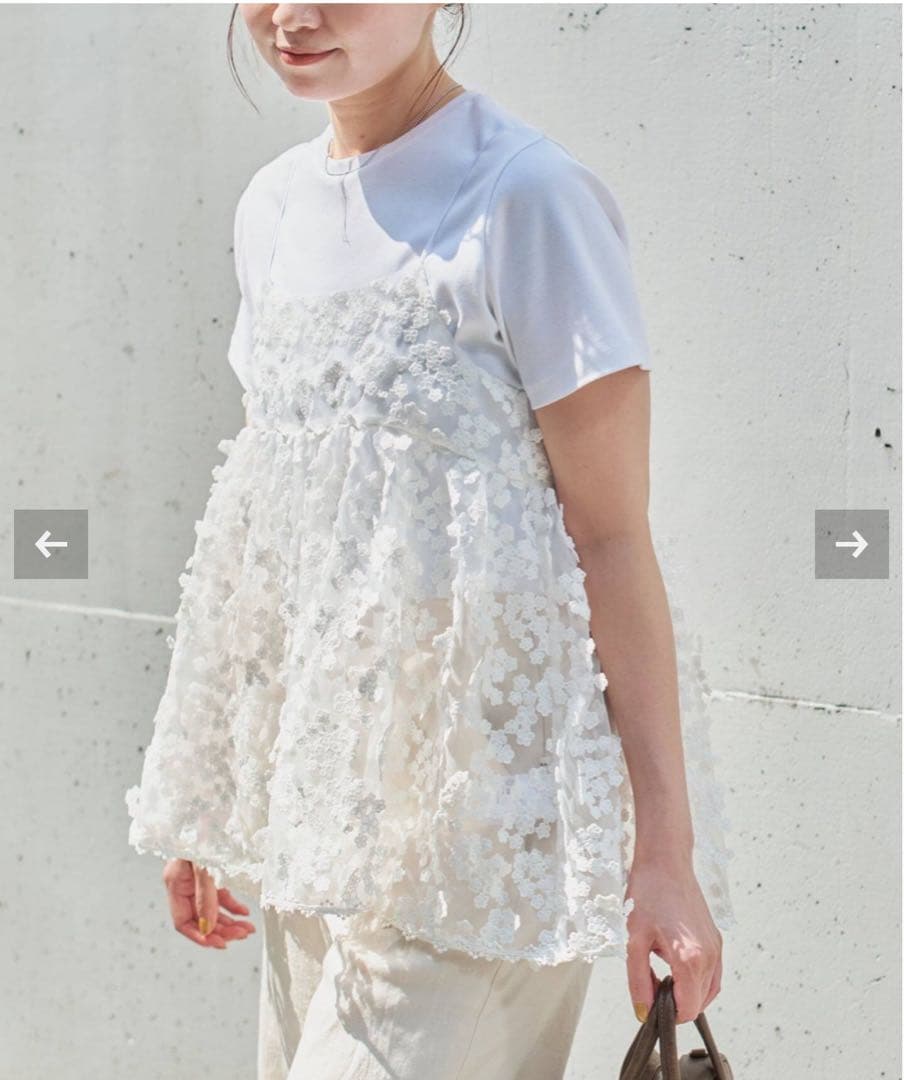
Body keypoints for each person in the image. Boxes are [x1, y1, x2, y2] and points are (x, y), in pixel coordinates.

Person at [124, 4, 736, 1078]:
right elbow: (279, 536)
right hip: (325, 826)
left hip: (486, 836)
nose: (293, 16)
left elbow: (610, 539)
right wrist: (216, 797)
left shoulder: (527, 199)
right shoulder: (272, 209)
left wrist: (665, 859)